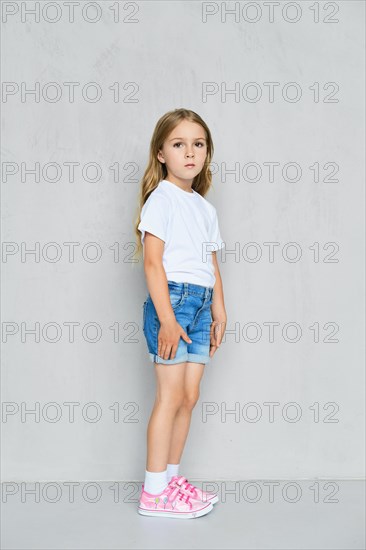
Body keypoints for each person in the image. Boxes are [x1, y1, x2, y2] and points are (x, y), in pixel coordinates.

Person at [134, 108, 227, 519]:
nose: (190, 152)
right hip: (173, 301)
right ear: (161, 153)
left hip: (202, 304)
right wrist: (167, 317)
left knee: (189, 396)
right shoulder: (162, 199)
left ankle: (172, 480)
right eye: (179, 144)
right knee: (170, 396)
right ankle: (154, 493)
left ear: (206, 153)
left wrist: (220, 309)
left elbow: (210, 262)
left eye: (198, 144)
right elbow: (153, 263)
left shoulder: (204, 209)